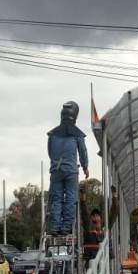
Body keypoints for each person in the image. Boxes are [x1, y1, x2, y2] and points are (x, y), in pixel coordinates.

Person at [47, 101, 88, 236]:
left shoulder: (53, 134)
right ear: (75, 116)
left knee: (57, 198)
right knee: (70, 198)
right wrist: (85, 167)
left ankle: (55, 227)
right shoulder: (77, 134)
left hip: (56, 170)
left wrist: (56, 163)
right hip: (71, 171)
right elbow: (82, 151)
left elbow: (50, 152)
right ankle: (66, 227)